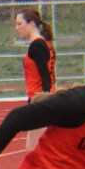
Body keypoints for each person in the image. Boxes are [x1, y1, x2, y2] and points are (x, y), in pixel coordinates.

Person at [15, 8, 56, 150]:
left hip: (39, 99)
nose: (17, 28)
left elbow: (45, 76)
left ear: (31, 24)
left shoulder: (37, 45)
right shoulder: (45, 44)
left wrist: (44, 98)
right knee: (33, 148)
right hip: (42, 99)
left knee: (35, 149)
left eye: (20, 24)